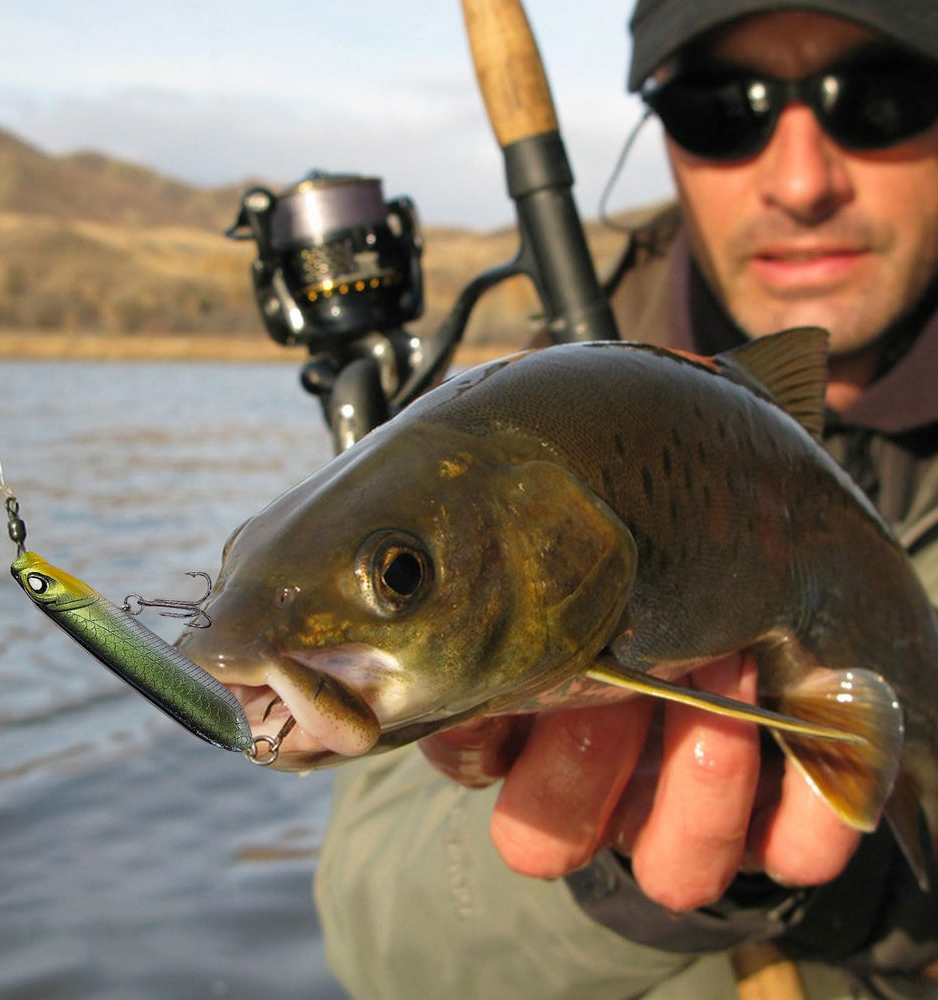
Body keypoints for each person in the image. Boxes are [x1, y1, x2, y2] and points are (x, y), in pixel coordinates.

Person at [314, 2, 938, 997]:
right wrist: (615, 890)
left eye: (879, 99)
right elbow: (377, 931)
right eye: (719, 107)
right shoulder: (504, 457)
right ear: (659, 126)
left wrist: (869, 893)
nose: (802, 178)